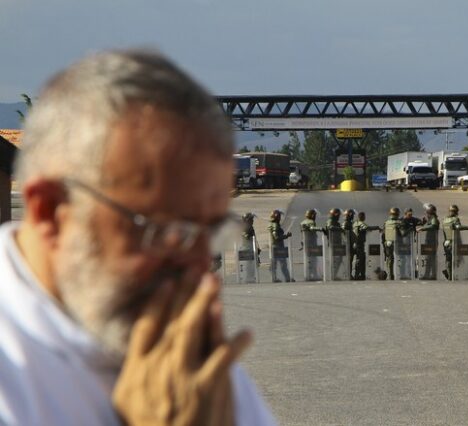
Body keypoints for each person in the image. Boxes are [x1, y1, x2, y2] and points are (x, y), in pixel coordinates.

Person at [0, 50, 276, 425]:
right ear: (51, 211)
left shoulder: (184, 355)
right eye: (166, 233)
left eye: (211, 232)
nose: (200, 274)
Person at [442, 205, 468, 280]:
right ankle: (453, 275)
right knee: (458, 259)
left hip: (446, 242)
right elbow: (458, 227)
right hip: (454, 242)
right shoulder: (455, 219)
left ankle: (449, 274)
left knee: (448, 259)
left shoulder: (445, 219)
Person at [353, 212, 381, 280]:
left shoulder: (355, 223)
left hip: (355, 244)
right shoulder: (361, 224)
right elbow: (366, 228)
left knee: (360, 259)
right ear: (362, 217)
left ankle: (360, 275)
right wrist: (377, 227)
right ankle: (358, 275)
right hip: (359, 244)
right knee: (360, 260)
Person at [268, 209, 293, 282]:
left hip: (274, 246)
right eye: (279, 216)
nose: (280, 218)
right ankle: (287, 278)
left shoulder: (272, 224)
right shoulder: (275, 225)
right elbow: (276, 237)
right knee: (282, 264)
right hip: (278, 247)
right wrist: (286, 236)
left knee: (275, 264)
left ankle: (275, 278)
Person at [417, 203, 440, 280]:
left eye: (427, 212)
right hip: (429, 241)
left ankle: (431, 275)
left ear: (429, 212)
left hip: (432, 242)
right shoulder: (430, 219)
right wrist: (423, 223)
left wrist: (422, 228)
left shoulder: (434, 219)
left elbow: (433, 226)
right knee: (428, 259)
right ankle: (428, 275)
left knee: (431, 259)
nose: (426, 214)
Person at [300, 209, 324, 281]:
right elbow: (312, 229)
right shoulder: (311, 222)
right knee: (314, 260)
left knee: (308, 259)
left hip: (305, 242)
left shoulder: (302, 222)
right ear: (312, 215)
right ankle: (314, 275)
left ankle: (309, 274)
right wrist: (321, 229)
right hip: (312, 243)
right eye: (315, 215)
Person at [382, 207, 403, 280]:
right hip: (397, 243)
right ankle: (401, 274)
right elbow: (402, 233)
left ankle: (390, 274)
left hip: (387, 243)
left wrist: (384, 245)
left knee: (389, 259)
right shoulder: (399, 223)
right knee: (401, 258)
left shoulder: (386, 223)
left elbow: (383, 234)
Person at [326, 208, 346, 279]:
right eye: (338, 215)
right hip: (333, 243)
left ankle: (334, 274)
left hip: (338, 242)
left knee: (339, 259)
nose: (339, 216)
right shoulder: (330, 221)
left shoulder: (336, 222)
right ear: (335, 214)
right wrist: (339, 229)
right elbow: (329, 227)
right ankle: (333, 275)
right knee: (334, 260)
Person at [343, 209, 357, 279]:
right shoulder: (346, 223)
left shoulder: (349, 223)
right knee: (349, 260)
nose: (353, 216)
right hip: (348, 244)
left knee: (350, 260)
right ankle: (348, 274)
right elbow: (344, 233)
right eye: (352, 215)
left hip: (350, 244)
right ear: (350, 215)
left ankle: (349, 274)